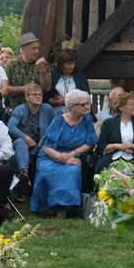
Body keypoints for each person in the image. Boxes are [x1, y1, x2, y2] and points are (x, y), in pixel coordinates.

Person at [30, 89, 98, 218]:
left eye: (88, 103)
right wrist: (63, 158)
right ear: (71, 107)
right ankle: (48, 207)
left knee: (72, 170)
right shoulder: (58, 120)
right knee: (47, 170)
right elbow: (47, 147)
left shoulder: (87, 119)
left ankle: (66, 207)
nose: (87, 106)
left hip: (72, 155)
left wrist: (72, 154)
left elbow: (90, 142)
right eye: (83, 104)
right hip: (51, 156)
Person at [7, 84, 56, 194]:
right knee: (20, 142)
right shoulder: (19, 110)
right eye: (34, 95)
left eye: (40, 95)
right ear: (26, 97)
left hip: (43, 146)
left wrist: (43, 144)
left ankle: (33, 185)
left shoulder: (47, 109)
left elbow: (55, 127)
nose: (38, 97)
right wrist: (26, 138)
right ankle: (24, 173)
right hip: (22, 146)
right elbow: (10, 127)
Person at [95, 92, 134, 172]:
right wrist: (118, 146)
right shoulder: (109, 123)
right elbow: (101, 146)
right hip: (112, 159)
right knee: (111, 172)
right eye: (131, 104)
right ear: (121, 107)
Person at [5, 32, 52, 112]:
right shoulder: (12, 65)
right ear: (22, 49)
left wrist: (42, 71)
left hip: (37, 111)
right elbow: (5, 89)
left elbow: (47, 88)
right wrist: (22, 89)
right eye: (33, 48)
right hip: (15, 110)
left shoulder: (42, 63)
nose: (37, 51)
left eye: (38, 48)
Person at [47, 49, 90, 114]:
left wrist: (66, 100)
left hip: (76, 112)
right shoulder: (54, 76)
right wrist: (56, 102)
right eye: (68, 64)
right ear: (61, 64)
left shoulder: (81, 77)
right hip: (57, 112)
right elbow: (48, 97)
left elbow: (86, 97)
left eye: (73, 63)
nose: (72, 66)